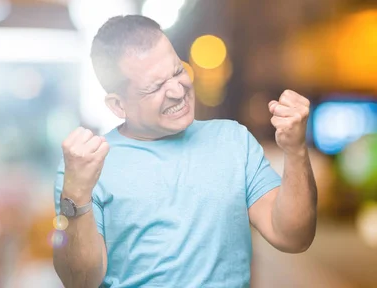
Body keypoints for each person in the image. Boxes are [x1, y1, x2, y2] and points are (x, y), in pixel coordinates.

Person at [53, 15, 317, 288]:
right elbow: (79, 282)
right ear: (119, 105)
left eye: (178, 71)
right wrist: (75, 195)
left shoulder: (233, 141)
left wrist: (296, 150)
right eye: (155, 87)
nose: (178, 91)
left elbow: (293, 237)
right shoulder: (84, 168)